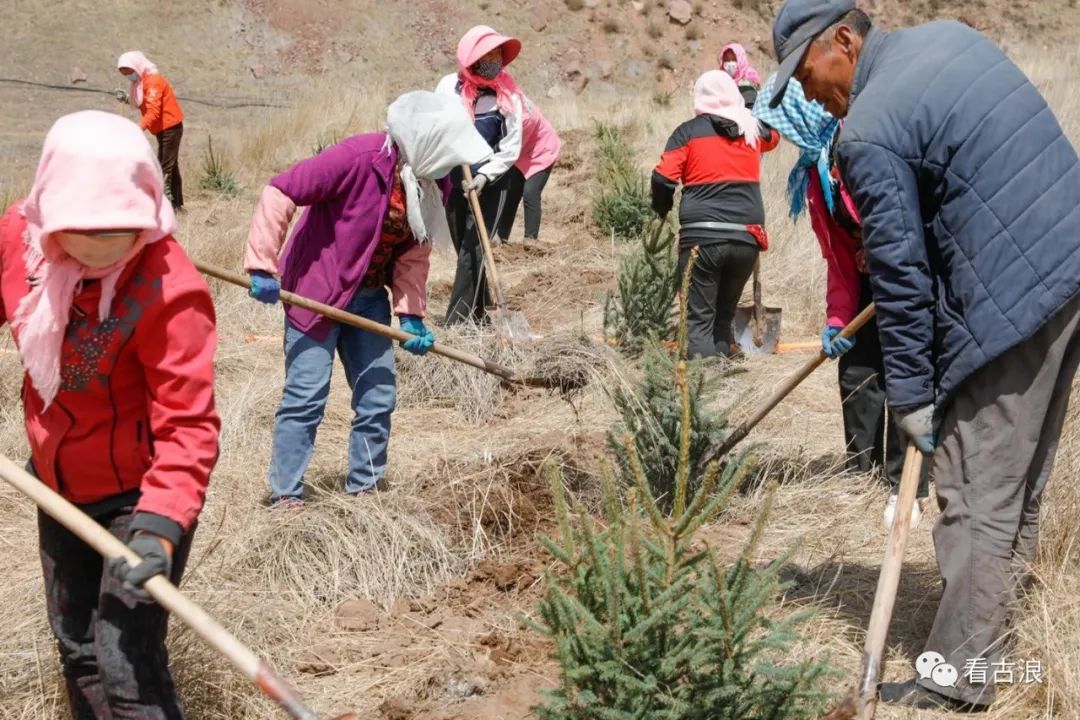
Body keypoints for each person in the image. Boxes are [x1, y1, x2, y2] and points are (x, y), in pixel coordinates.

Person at [768, 0, 1080, 711]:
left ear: (844, 38)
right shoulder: (948, 39)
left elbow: (900, 275)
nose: (808, 94)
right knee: (1015, 477)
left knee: (972, 489)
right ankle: (995, 640)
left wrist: (910, 398)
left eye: (807, 73)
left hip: (1015, 298)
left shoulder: (869, 131)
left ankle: (957, 681)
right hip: (1068, 266)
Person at [0, 111, 219, 718]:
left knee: (127, 668)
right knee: (76, 646)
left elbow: (188, 423)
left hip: (138, 497)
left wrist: (160, 524)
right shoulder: (21, 239)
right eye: (80, 240)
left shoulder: (170, 290)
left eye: (117, 241)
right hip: (57, 484)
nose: (97, 257)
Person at [244, 91, 490, 508]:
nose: (450, 167)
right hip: (316, 294)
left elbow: (415, 250)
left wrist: (410, 315)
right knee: (306, 397)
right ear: (425, 142)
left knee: (378, 397)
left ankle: (366, 490)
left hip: (369, 297)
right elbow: (281, 191)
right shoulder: (358, 157)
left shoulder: (433, 184)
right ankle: (285, 494)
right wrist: (263, 266)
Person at [753, 74, 929, 529]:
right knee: (857, 371)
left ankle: (905, 486)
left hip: (911, 276)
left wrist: (886, 249)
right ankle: (860, 476)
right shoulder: (816, 172)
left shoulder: (863, 142)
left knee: (904, 374)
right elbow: (838, 255)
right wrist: (837, 317)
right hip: (870, 282)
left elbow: (911, 208)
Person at [651, 70, 779, 360]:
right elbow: (774, 135)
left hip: (703, 239)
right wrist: (751, 102)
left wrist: (662, 210)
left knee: (699, 320)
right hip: (747, 238)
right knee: (724, 316)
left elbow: (662, 178)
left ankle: (702, 388)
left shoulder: (686, 133)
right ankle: (722, 378)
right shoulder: (751, 129)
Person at [436, 25, 525, 324]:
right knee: (466, 246)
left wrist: (485, 175)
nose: (495, 59)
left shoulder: (509, 94)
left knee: (473, 248)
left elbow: (511, 148)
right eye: (488, 54)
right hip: (454, 177)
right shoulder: (448, 87)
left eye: (498, 53)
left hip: (494, 182)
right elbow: (436, 125)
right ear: (471, 57)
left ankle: (457, 324)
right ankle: (481, 314)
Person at [117, 52, 186, 210]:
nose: (129, 76)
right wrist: (128, 99)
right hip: (163, 129)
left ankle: (162, 207)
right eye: (125, 74)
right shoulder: (142, 81)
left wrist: (137, 129)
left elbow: (153, 112)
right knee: (171, 167)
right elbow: (145, 102)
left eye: (129, 71)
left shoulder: (153, 81)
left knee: (163, 168)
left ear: (137, 65)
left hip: (170, 128)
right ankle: (176, 205)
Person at [494, 100, 561, 244]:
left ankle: (530, 240)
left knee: (530, 192)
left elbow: (510, 150)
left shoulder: (524, 118)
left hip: (542, 150)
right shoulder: (502, 101)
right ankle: (501, 238)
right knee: (511, 193)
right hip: (522, 152)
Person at [719, 42, 762, 108]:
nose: (730, 63)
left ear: (740, 59)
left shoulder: (749, 78)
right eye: (726, 60)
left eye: (733, 59)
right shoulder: (721, 80)